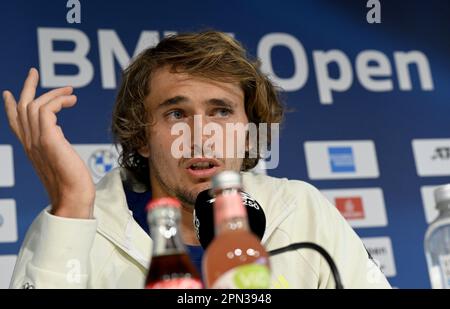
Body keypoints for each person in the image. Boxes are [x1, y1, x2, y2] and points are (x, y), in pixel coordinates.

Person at [3, 31, 390, 289]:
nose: (202, 134)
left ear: (248, 130)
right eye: (176, 114)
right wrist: (71, 206)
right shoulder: (75, 224)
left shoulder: (302, 211)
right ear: (141, 136)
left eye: (221, 112)